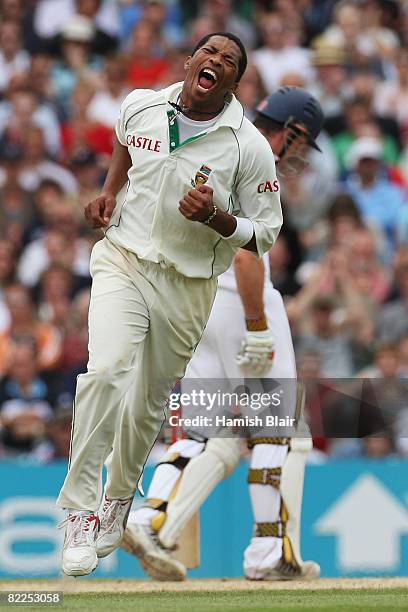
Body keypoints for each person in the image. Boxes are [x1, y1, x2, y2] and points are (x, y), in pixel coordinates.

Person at [57, 32, 284, 577]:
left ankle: (118, 501)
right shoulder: (141, 104)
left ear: (233, 82)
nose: (216, 62)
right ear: (190, 61)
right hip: (124, 259)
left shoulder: (246, 146)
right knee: (106, 370)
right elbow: (123, 142)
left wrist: (214, 218)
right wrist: (110, 193)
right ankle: (79, 510)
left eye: (229, 62)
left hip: (188, 284)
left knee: (147, 406)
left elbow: (265, 235)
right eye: (210, 52)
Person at [121, 87, 324, 581]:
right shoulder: (258, 158)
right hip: (239, 302)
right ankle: (269, 553)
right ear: (291, 131)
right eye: (302, 142)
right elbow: (246, 250)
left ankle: (152, 519)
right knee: (279, 433)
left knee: (207, 432)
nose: (300, 156)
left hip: (193, 305)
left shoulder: (213, 141)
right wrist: (257, 326)